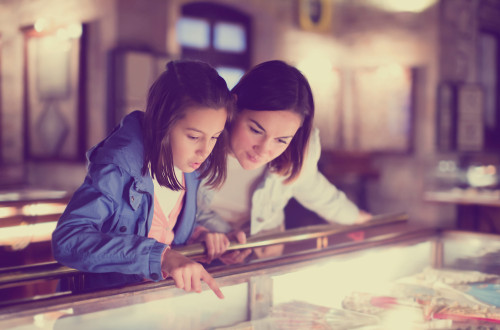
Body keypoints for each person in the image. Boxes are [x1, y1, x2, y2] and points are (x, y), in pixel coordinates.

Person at [52, 60, 233, 298]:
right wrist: (160, 257)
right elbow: (68, 240)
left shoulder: (192, 169)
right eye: (193, 136)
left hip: (154, 304)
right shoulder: (119, 168)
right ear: (162, 123)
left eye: (215, 137)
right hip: (102, 308)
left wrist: (200, 236)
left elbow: (166, 231)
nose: (205, 151)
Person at [191, 60, 371, 264]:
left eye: (281, 140)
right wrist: (205, 234)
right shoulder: (199, 142)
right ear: (234, 107)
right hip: (203, 255)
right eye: (256, 130)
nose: (264, 149)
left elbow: (314, 189)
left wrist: (357, 218)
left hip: (266, 256)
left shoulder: (298, 150)